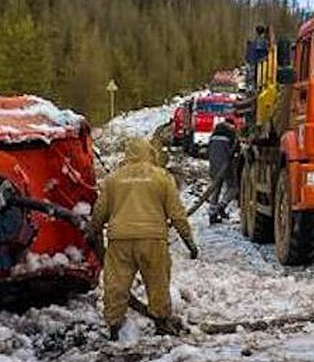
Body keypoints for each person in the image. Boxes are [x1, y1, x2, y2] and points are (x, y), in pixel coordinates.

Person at [89, 137, 198, 339]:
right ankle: (161, 324)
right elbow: (177, 214)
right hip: (153, 240)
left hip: (120, 241)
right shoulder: (162, 177)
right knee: (157, 283)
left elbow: (100, 211)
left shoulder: (113, 179)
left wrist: (92, 231)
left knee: (116, 285)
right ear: (149, 152)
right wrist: (189, 241)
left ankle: (114, 327)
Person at [206, 120, 238, 223]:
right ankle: (221, 206)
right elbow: (234, 150)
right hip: (226, 166)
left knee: (215, 189)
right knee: (233, 187)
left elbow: (208, 151)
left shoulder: (213, 136)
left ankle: (212, 214)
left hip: (214, 166)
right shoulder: (231, 134)